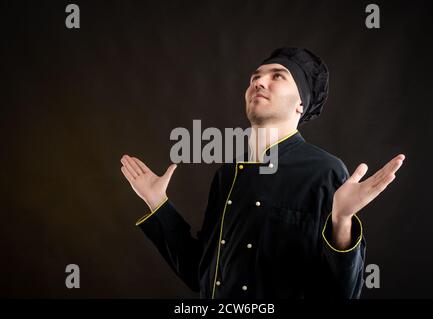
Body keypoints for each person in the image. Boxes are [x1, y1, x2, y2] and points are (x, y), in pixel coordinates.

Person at [120, 47, 405, 299]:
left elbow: (343, 292)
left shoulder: (325, 172)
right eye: (255, 76)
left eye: (277, 75)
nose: (259, 81)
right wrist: (157, 203)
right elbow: (199, 273)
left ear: (301, 104)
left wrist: (342, 220)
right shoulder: (227, 174)